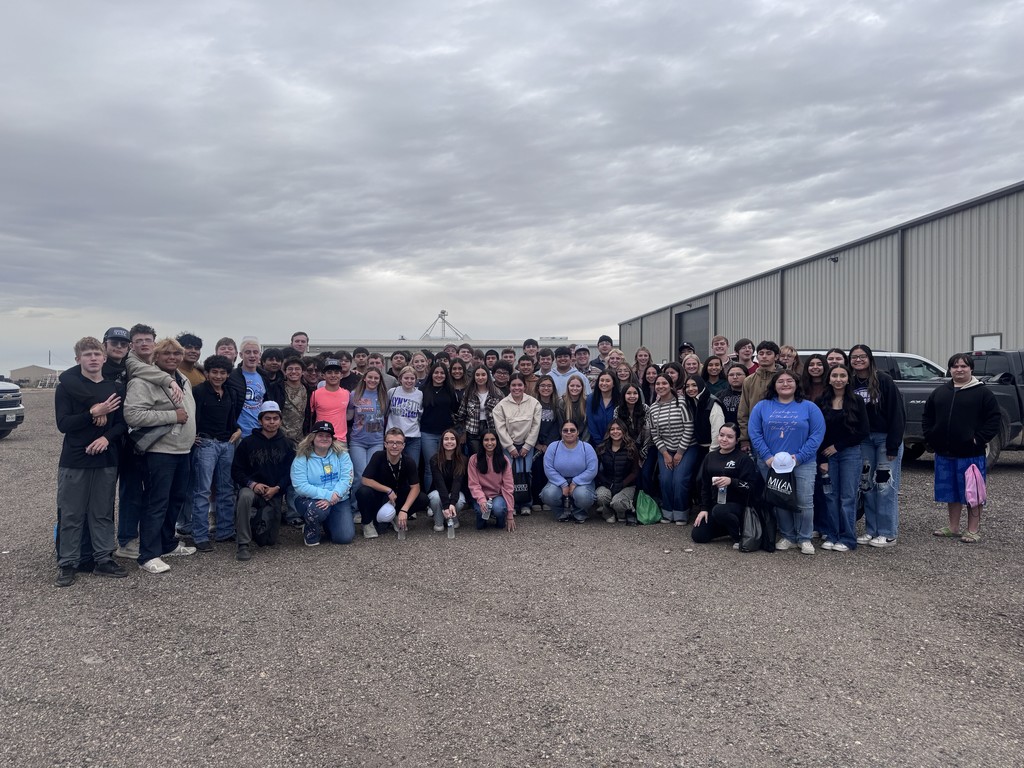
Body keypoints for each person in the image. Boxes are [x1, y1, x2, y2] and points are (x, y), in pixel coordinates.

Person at [54, 337, 129, 586]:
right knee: (72, 513)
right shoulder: (67, 387)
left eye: (97, 354)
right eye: (87, 355)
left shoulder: (115, 388)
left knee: (102, 512)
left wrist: (107, 439)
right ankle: (68, 563)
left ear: (104, 357)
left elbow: (121, 424)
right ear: (78, 360)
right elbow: (63, 424)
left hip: (106, 458)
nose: (93, 358)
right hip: (75, 458)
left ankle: (103, 558)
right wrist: (92, 414)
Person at [123, 337, 198, 574]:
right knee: (156, 502)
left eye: (176, 354)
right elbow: (133, 415)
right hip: (159, 452)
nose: (172, 358)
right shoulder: (143, 381)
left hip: (183, 450)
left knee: (175, 500)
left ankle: (167, 543)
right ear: (156, 356)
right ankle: (149, 554)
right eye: (166, 354)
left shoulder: (182, 379)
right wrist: (171, 417)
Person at [924, 353, 1001, 544]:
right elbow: (928, 416)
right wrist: (931, 436)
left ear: (971, 369)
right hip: (945, 453)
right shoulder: (940, 392)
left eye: (963, 366)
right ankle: (953, 527)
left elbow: (994, 419)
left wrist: (978, 439)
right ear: (950, 369)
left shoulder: (983, 393)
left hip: (971, 454)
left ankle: (973, 530)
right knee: (952, 492)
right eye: (955, 366)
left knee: (973, 493)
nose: (959, 370)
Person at [748, 370, 825, 554]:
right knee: (780, 498)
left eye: (789, 380)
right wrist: (767, 456)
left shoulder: (809, 407)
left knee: (804, 500)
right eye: (780, 381)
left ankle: (804, 537)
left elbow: (817, 434)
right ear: (774, 385)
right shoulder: (762, 406)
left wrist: (799, 457)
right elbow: (754, 432)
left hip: (802, 463)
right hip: (771, 463)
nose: (785, 384)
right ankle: (788, 536)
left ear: (797, 384)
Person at [849, 344, 906, 548]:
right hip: (864, 441)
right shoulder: (851, 382)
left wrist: (893, 445)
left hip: (885, 440)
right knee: (867, 485)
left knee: (885, 486)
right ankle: (871, 530)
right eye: (854, 357)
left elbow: (897, 413)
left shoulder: (884, 380)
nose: (858, 360)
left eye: (862, 356)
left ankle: (888, 532)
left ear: (870, 358)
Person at [230, 401, 295, 562]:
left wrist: (278, 488)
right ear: (260, 421)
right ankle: (243, 544)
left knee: (268, 541)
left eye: (275, 418)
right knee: (244, 497)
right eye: (267, 418)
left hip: (274, 491)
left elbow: (291, 473)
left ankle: (257, 524)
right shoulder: (248, 443)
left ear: (280, 421)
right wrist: (253, 484)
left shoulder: (287, 444)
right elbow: (236, 470)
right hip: (252, 489)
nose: (271, 422)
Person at [190, 354, 241, 552]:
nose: (218, 376)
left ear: (228, 374)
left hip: (227, 443)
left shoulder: (230, 392)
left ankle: (225, 530)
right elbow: (192, 416)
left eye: (223, 372)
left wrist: (237, 430)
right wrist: (191, 436)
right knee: (202, 490)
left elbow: (232, 417)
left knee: (226, 488)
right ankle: (200, 535)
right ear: (207, 373)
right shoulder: (199, 392)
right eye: (214, 372)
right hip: (206, 443)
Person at [816, 365, 869, 552]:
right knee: (830, 496)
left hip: (849, 454)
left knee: (847, 497)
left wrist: (838, 446)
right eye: (835, 375)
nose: (838, 379)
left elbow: (863, 431)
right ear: (829, 379)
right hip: (827, 457)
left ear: (848, 379)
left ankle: (847, 538)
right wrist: (821, 458)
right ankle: (832, 535)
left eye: (842, 375)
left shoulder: (856, 401)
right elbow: (817, 432)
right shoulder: (821, 401)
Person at [691, 423, 763, 546]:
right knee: (698, 535)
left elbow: (751, 487)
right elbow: (704, 486)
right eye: (721, 435)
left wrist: (732, 481)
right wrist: (704, 509)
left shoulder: (743, 459)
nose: (724, 439)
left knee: (720, 511)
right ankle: (727, 528)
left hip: (738, 507)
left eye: (729, 437)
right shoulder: (710, 457)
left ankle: (738, 535)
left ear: (736, 440)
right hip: (716, 506)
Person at [356, 428, 429, 539]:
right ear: (385, 444)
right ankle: (367, 523)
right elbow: (365, 480)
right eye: (391, 442)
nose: (394, 446)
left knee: (423, 499)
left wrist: (404, 509)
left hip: (397, 498)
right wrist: (387, 489)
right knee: (363, 492)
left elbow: (416, 487)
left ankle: (397, 516)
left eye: (398, 443)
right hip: (379, 496)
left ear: (403, 445)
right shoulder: (378, 456)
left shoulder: (408, 461)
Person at [291, 421, 355, 546]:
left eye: (328, 436)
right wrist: (327, 495)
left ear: (332, 439)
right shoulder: (302, 457)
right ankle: (311, 532)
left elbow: (347, 478)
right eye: (320, 435)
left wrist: (334, 496)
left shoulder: (342, 454)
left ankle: (327, 523)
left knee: (344, 537)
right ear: (312, 437)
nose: (324, 438)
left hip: (339, 498)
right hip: (311, 500)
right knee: (316, 510)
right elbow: (300, 485)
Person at [646, 374, 697, 524]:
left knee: (679, 479)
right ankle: (668, 511)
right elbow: (655, 434)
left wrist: (680, 452)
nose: (660, 386)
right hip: (666, 450)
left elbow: (689, 427)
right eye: (658, 384)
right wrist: (665, 454)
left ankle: (681, 511)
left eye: (664, 383)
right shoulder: (653, 408)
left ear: (671, 385)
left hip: (687, 447)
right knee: (666, 479)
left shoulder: (681, 402)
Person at [492, 373, 541, 516]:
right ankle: (511, 504)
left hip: (527, 446)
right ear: (509, 386)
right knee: (509, 475)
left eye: (520, 385)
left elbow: (535, 426)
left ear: (525, 386)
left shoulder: (534, 403)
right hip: (509, 446)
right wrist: (510, 447)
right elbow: (500, 428)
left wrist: (527, 445)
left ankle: (526, 503)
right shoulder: (501, 406)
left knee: (526, 473)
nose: (517, 388)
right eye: (514, 385)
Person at [540, 422, 598, 523]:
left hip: (582, 482)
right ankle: (560, 513)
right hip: (558, 481)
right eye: (565, 430)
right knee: (548, 494)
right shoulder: (553, 447)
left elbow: (592, 469)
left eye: (572, 430)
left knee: (583, 496)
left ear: (578, 432)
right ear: (561, 432)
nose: (569, 433)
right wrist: (563, 484)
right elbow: (548, 468)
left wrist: (575, 482)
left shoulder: (587, 447)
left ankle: (580, 513)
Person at [228, 337, 282, 438]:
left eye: (255, 352)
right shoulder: (232, 376)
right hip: (238, 433)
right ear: (241, 355)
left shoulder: (264, 377)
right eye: (248, 352)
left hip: (259, 432)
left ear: (259, 355)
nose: (252, 356)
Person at [346, 368, 387, 505]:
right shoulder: (354, 394)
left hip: (377, 441)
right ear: (364, 378)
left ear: (380, 380)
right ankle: (354, 506)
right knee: (360, 475)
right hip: (358, 441)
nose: (373, 380)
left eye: (376, 378)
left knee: (372, 476)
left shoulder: (383, 395)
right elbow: (349, 416)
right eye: (370, 377)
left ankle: (370, 507)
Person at [419, 362, 458, 492]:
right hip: (427, 433)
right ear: (431, 374)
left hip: (446, 435)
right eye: (436, 372)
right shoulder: (422, 390)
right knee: (430, 467)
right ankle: (431, 498)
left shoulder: (450, 390)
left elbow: (456, 411)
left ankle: (446, 496)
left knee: (446, 466)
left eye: (442, 373)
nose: (439, 375)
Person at [467, 430, 516, 531]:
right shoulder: (473, 459)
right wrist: (481, 500)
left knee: (498, 509)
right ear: (481, 442)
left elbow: (508, 486)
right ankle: (483, 519)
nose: (489, 443)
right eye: (486, 440)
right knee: (480, 518)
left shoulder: (504, 459)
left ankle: (500, 520)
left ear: (497, 441)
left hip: (498, 496)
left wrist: (510, 514)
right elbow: (473, 484)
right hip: (481, 496)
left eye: (493, 439)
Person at [737, 341, 781, 452]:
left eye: (768, 353)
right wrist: (744, 438)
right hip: (756, 436)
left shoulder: (786, 379)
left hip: (782, 434)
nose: (764, 356)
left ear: (776, 357)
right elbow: (743, 411)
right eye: (761, 353)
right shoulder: (748, 380)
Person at [594, 419, 639, 524]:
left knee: (618, 502)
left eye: (619, 429)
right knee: (601, 496)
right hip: (607, 483)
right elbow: (595, 470)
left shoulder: (631, 448)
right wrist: (605, 482)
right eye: (612, 429)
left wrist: (622, 484)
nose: (615, 431)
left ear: (624, 431)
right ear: (608, 432)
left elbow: (635, 472)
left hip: (627, 485)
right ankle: (607, 513)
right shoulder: (602, 448)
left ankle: (622, 513)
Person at [455, 364, 502, 455]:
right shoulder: (468, 393)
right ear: (474, 377)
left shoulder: (497, 393)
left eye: (483, 375)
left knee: (491, 456)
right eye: (477, 375)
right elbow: (461, 415)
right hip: (473, 430)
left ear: (488, 376)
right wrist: (463, 432)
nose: (480, 377)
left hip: (491, 428)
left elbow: (503, 414)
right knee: (476, 457)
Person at [427, 428, 467, 532]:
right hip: (437, 491)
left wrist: (452, 503)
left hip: (454, 492)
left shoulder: (463, 460)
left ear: (457, 442)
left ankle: (451, 517)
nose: (449, 441)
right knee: (436, 498)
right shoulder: (435, 460)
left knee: (460, 500)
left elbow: (457, 482)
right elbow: (439, 483)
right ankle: (439, 520)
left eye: (452, 439)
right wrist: (446, 506)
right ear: (442, 442)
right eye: (446, 439)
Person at [531, 375, 561, 511]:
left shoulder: (557, 404)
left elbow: (558, 426)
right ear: (538, 388)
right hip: (535, 444)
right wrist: (536, 443)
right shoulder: (532, 404)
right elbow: (528, 425)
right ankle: (536, 499)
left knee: (548, 470)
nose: (546, 388)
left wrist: (549, 444)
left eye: (549, 386)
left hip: (551, 445)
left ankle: (547, 498)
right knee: (536, 470)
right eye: (543, 385)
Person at [386, 366, 423, 462]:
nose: (409, 381)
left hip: (413, 437)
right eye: (406, 378)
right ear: (400, 379)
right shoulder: (392, 392)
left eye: (412, 378)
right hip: (394, 436)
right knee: (393, 465)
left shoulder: (420, 394)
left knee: (412, 466)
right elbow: (386, 410)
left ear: (416, 380)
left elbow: (420, 415)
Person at [309, 359, 351, 443]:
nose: (333, 375)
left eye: (336, 372)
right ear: (323, 375)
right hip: (321, 439)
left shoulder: (347, 394)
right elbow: (310, 417)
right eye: (329, 372)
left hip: (341, 440)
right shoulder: (315, 394)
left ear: (341, 375)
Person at [280, 356, 312, 444]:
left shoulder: (308, 390)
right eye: (290, 369)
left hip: (301, 439)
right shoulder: (278, 388)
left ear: (302, 372)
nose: (293, 372)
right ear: (285, 372)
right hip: (281, 437)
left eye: (297, 369)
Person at [586, 371, 619, 447]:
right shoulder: (591, 399)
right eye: (602, 380)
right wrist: (599, 443)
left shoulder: (619, 399)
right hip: (595, 444)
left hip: (615, 444)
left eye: (607, 381)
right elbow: (591, 423)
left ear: (613, 384)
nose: (604, 383)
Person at [559, 375, 590, 442]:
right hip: (567, 438)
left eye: (578, 386)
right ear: (568, 387)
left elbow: (587, 426)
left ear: (582, 388)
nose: (575, 388)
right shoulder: (561, 403)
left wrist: (583, 442)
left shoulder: (587, 402)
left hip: (584, 439)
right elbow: (561, 425)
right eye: (572, 386)